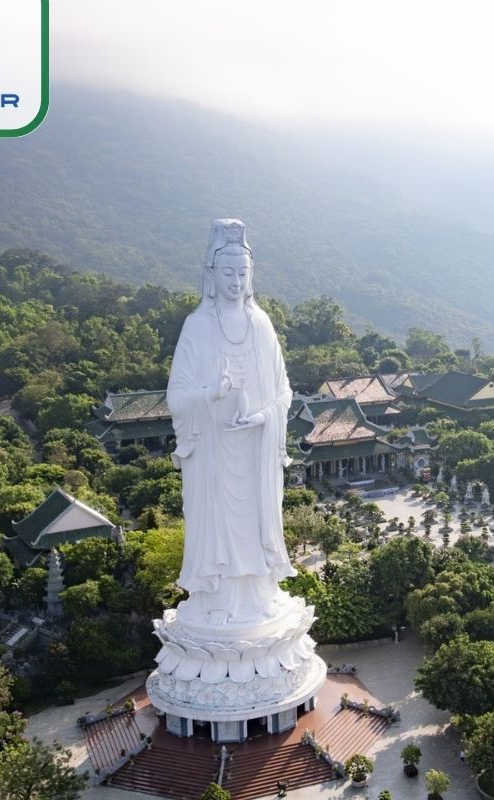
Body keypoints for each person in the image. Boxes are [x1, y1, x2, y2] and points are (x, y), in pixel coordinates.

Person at [168, 219, 295, 627]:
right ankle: (218, 597)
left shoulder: (262, 324)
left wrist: (263, 416)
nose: (236, 281)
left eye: (243, 273)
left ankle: (258, 593)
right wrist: (211, 395)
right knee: (219, 523)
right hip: (214, 451)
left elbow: (283, 392)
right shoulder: (198, 326)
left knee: (257, 522)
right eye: (228, 273)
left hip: (256, 447)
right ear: (211, 275)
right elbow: (176, 395)